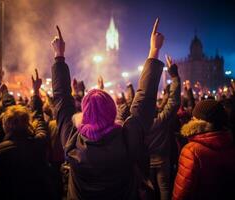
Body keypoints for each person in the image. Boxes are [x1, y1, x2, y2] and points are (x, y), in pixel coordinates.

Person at [51, 19, 164, 199]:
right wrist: (154, 51)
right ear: (112, 111)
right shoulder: (126, 140)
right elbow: (144, 100)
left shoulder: (72, 141)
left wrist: (59, 56)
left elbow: (61, 101)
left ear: (84, 113)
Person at [0, 69, 61, 200]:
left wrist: (4, 95)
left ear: (5, 125)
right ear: (28, 123)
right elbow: (39, 117)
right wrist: (36, 91)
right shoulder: (38, 143)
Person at [172, 99, 235, 200]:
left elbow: (181, 193)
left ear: (198, 121)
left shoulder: (191, 151)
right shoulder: (230, 143)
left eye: (193, 117)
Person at [146, 55, 181, 200]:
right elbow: (173, 101)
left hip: (146, 162)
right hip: (163, 160)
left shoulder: (137, 124)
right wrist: (174, 77)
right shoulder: (161, 120)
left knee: (149, 190)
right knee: (165, 188)